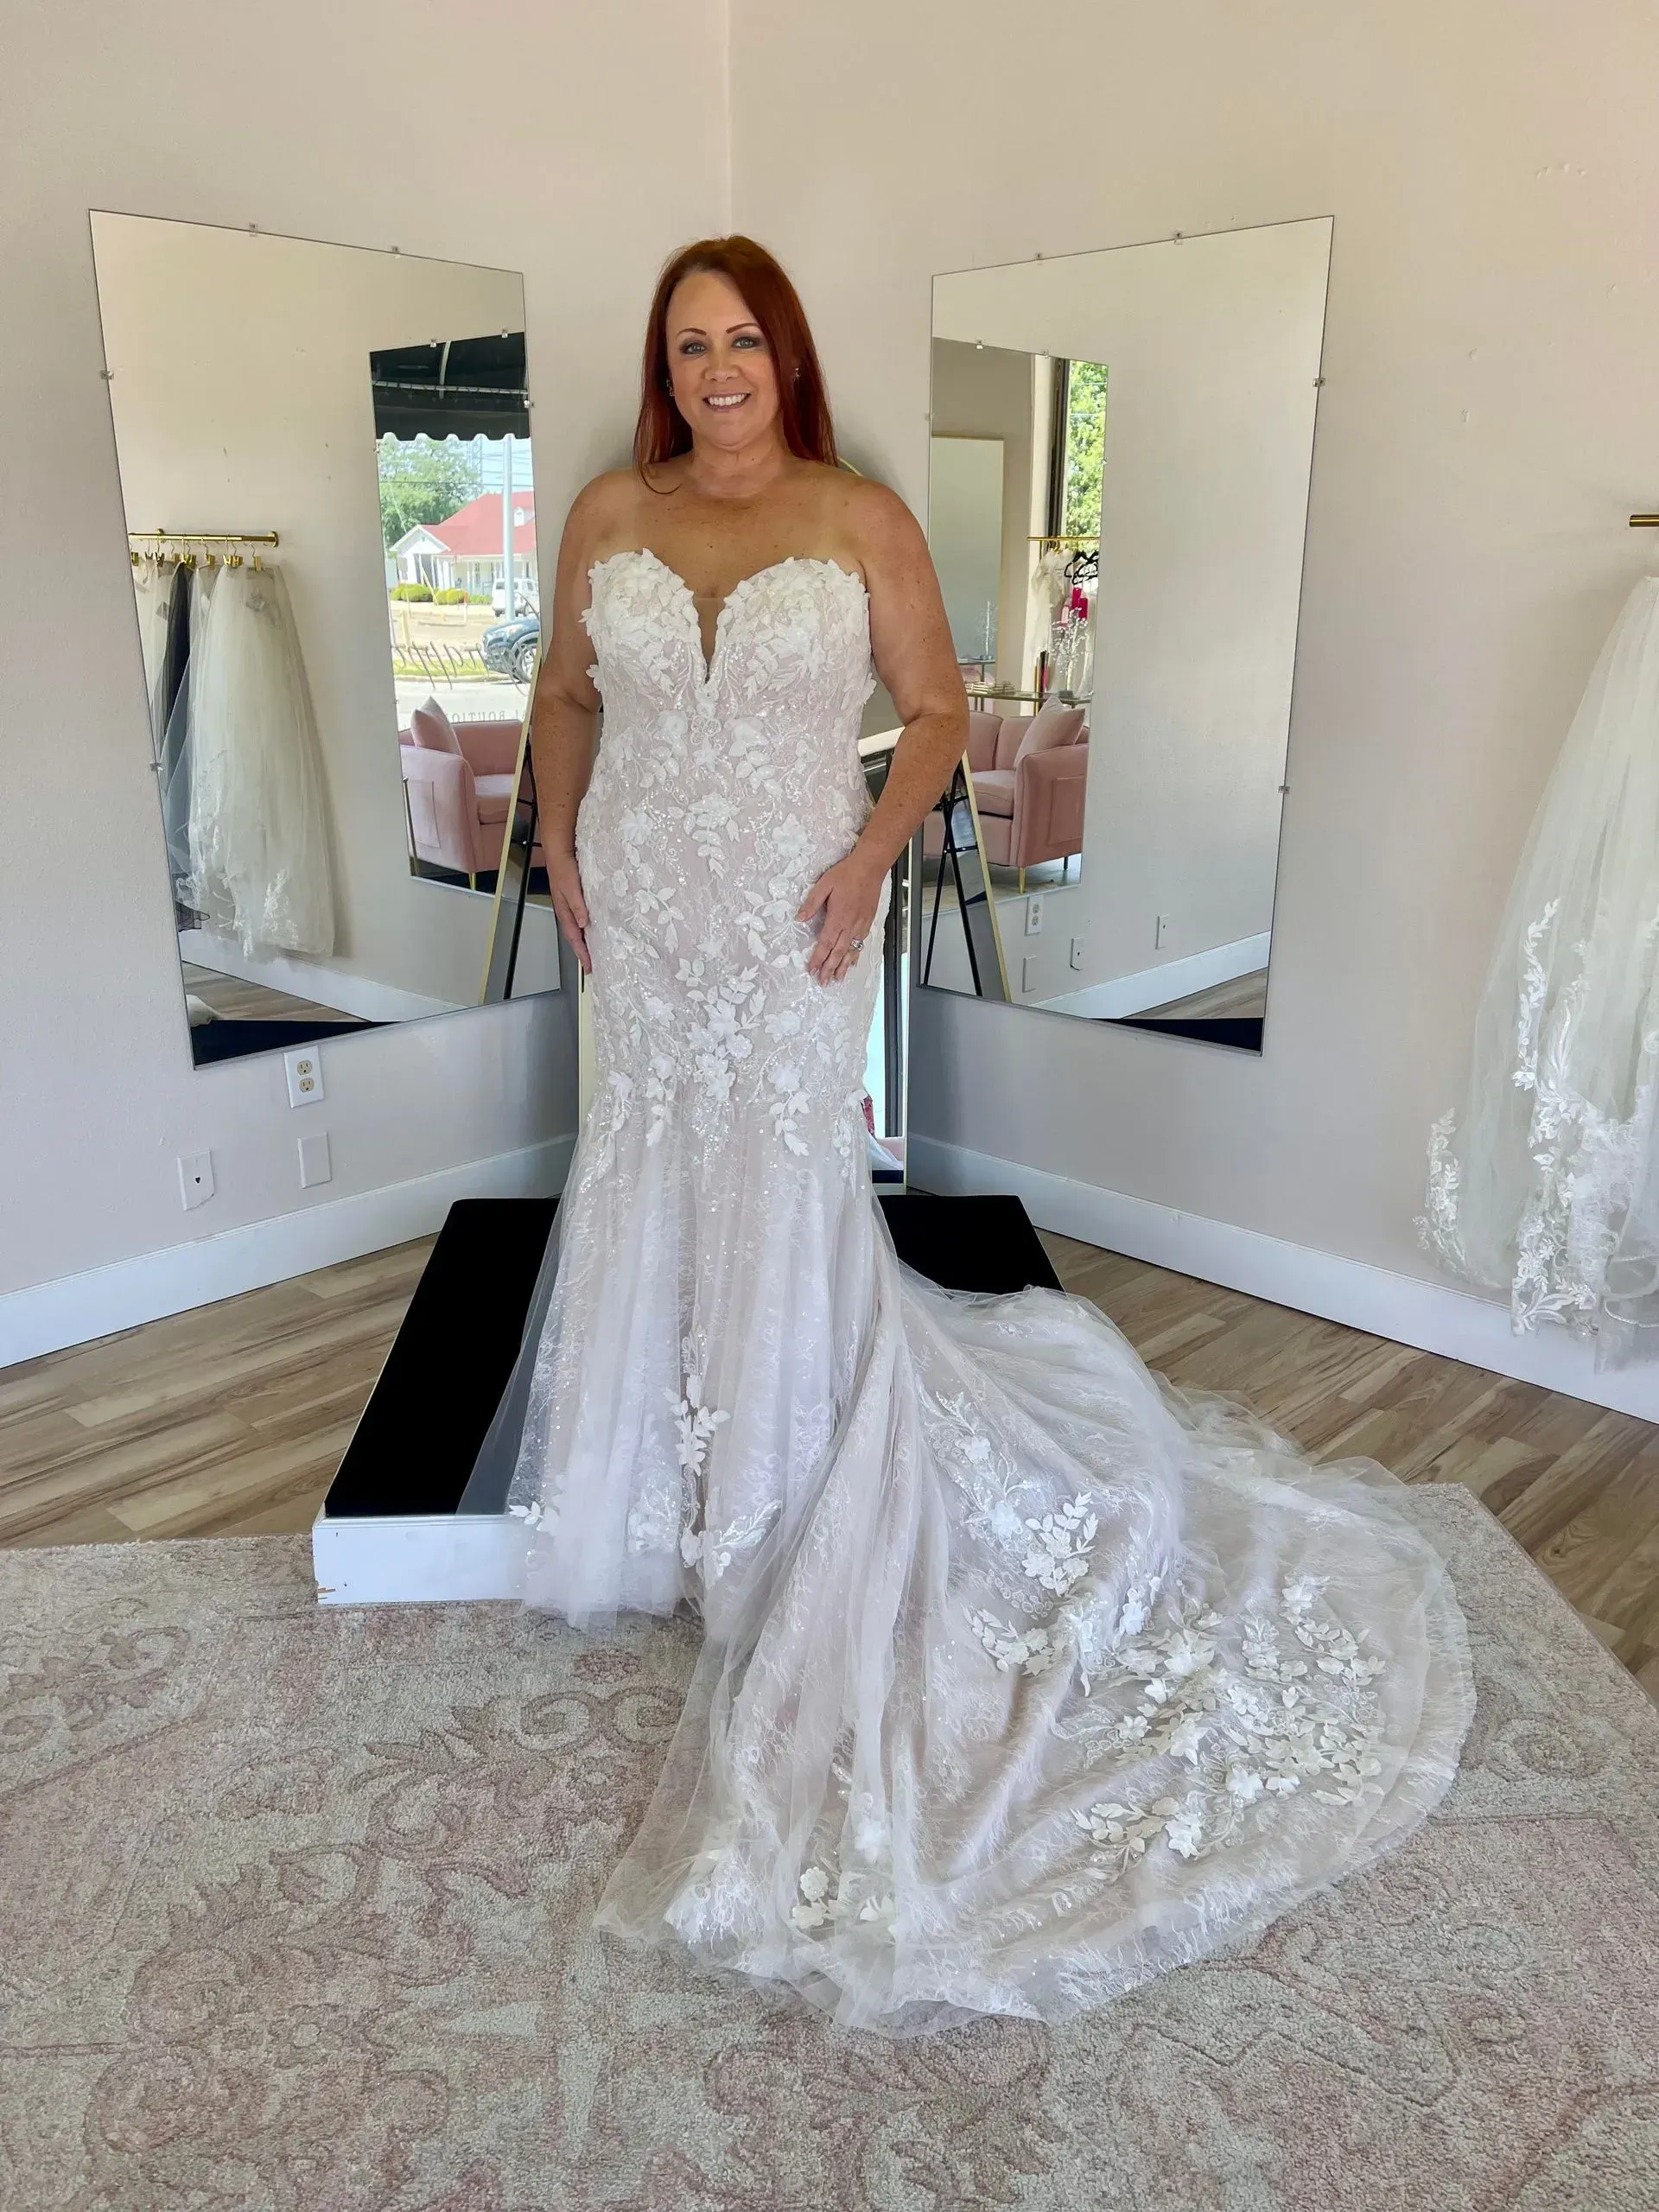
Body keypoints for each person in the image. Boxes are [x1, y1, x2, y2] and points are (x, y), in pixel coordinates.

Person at [486, 235, 1474, 2036]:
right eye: (689, 342)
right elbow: (565, 692)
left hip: (797, 913)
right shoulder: (607, 512)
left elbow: (937, 712)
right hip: (642, 910)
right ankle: (655, 1502)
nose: (719, 369)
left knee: (782, 1186)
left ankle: (779, 1498)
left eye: (745, 340)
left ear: (788, 353)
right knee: (647, 1176)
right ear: (667, 361)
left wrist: (870, 859)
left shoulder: (859, 513)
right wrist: (559, 845)